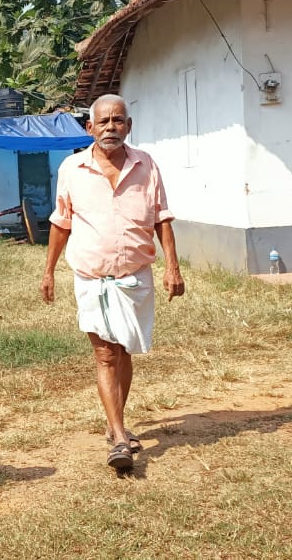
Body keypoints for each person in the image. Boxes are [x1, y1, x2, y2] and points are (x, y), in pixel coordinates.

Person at [40, 94, 185, 471]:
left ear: (128, 126)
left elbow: (162, 218)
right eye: (103, 122)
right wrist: (48, 271)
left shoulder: (146, 164)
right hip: (92, 277)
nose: (110, 128)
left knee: (124, 350)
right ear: (89, 128)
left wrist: (172, 267)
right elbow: (61, 223)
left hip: (134, 277)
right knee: (105, 353)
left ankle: (113, 421)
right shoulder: (72, 169)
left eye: (117, 121)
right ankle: (120, 437)